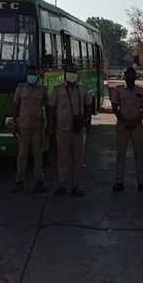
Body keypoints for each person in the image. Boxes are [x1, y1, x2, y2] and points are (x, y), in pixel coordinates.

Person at [49, 64, 92, 197]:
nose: (72, 74)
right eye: (70, 72)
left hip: (78, 130)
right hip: (62, 129)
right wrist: (51, 126)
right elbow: (51, 108)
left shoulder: (82, 90)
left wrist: (84, 121)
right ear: (65, 74)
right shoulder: (58, 89)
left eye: (74, 72)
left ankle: (76, 186)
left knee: (78, 159)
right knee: (63, 158)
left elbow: (88, 106)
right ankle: (62, 185)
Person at [111, 67, 143, 194]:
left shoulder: (141, 91)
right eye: (127, 75)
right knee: (120, 154)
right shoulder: (119, 90)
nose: (129, 77)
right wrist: (125, 121)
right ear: (124, 77)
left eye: (131, 75)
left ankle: (141, 182)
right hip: (122, 126)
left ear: (135, 76)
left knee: (139, 155)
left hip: (137, 126)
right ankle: (119, 182)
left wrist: (135, 121)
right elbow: (115, 108)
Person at [12, 65, 48, 194]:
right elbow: (15, 106)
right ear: (27, 75)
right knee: (22, 155)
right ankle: (19, 181)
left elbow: (47, 107)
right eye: (30, 73)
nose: (32, 76)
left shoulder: (42, 89)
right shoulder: (20, 89)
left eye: (34, 73)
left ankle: (39, 181)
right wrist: (15, 122)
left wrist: (48, 125)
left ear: (37, 75)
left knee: (38, 155)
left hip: (38, 126)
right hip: (24, 126)